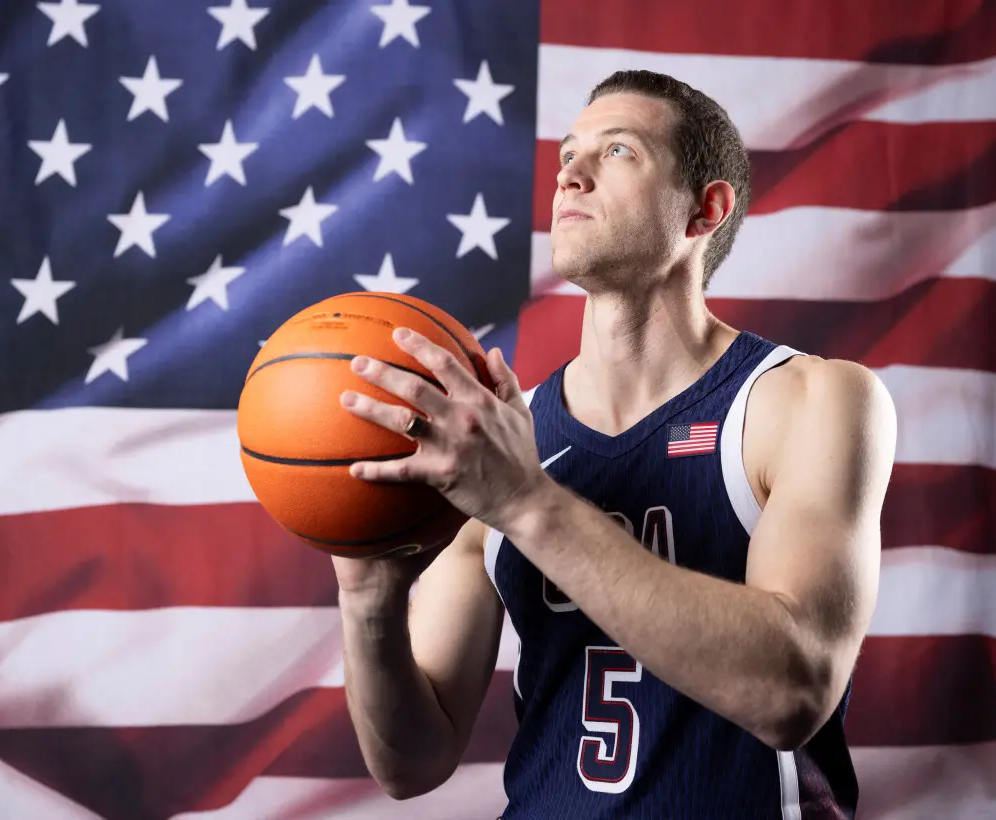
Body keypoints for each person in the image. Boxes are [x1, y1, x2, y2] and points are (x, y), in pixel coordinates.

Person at [332, 69, 898, 819]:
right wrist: (367, 604)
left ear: (705, 210)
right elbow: (412, 762)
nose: (571, 171)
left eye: (620, 151)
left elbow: (792, 692)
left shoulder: (810, 398)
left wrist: (528, 504)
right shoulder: (499, 440)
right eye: (569, 152)